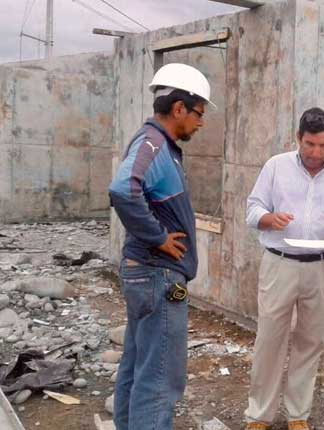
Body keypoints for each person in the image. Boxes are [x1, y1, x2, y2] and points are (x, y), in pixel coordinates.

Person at [244, 107, 324, 430]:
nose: (316, 152)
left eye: (323, 145)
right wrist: (270, 219)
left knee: (311, 341)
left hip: (323, 268)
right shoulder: (276, 167)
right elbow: (253, 208)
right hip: (279, 263)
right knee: (270, 339)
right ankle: (259, 415)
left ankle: (298, 414)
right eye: (310, 144)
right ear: (298, 137)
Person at [108, 63, 213, 430]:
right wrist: (157, 237)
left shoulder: (159, 146)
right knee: (160, 379)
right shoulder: (153, 144)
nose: (201, 123)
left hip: (149, 275)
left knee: (137, 367)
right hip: (157, 276)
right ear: (179, 108)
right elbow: (123, 190)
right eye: (199, 113)